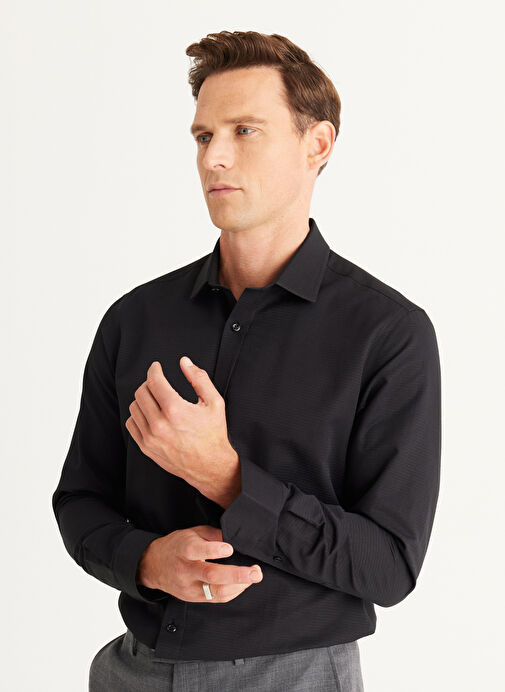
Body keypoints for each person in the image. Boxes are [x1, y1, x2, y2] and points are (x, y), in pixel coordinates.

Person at [52, 30, 441, 692]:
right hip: (131, 671)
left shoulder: (388, 334)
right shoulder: (134, 319)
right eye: (204, 136)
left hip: (296, 676)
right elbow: (80, 502)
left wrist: (229, 479)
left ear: (317, 144)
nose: (215, 157)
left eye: (245, 131)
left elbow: (389, 567)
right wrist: (146, 561)